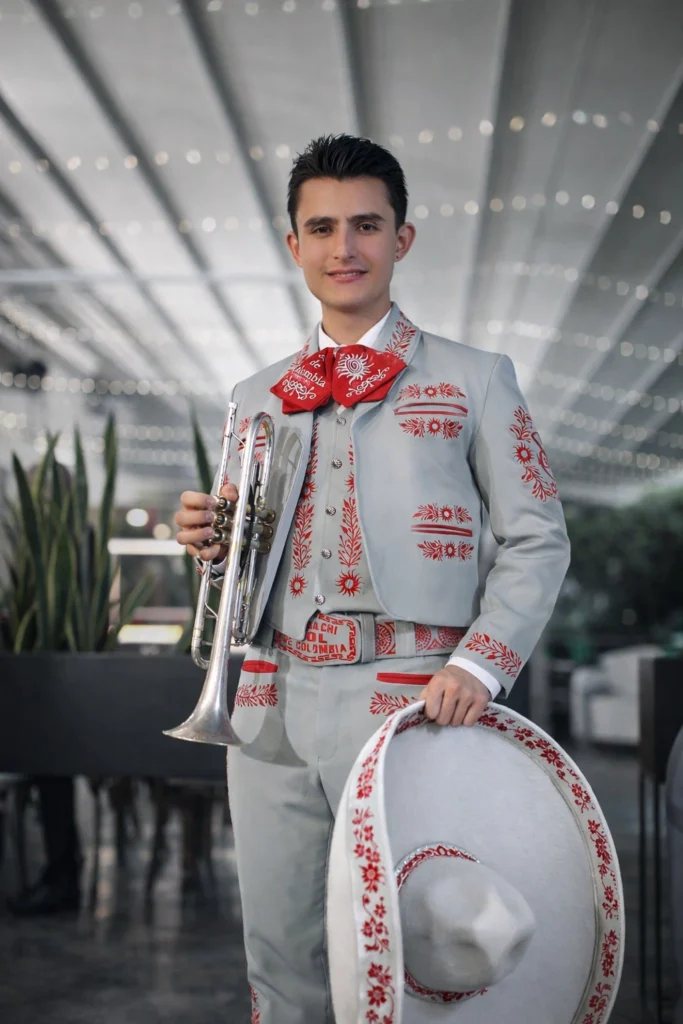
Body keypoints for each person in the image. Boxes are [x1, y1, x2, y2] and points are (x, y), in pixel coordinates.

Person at [174, 134, 571, 1024]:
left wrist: (479, 664)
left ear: (403, 238)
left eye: (365, 225)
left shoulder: (476, 379)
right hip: (267, 699)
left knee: (409, 944)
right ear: (293, 246)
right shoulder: (254, 393)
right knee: (278, 945)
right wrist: (206, 539)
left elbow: (539, 539)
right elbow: (248, 553)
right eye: (320, 227)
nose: (341, 247)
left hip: (410, 696)